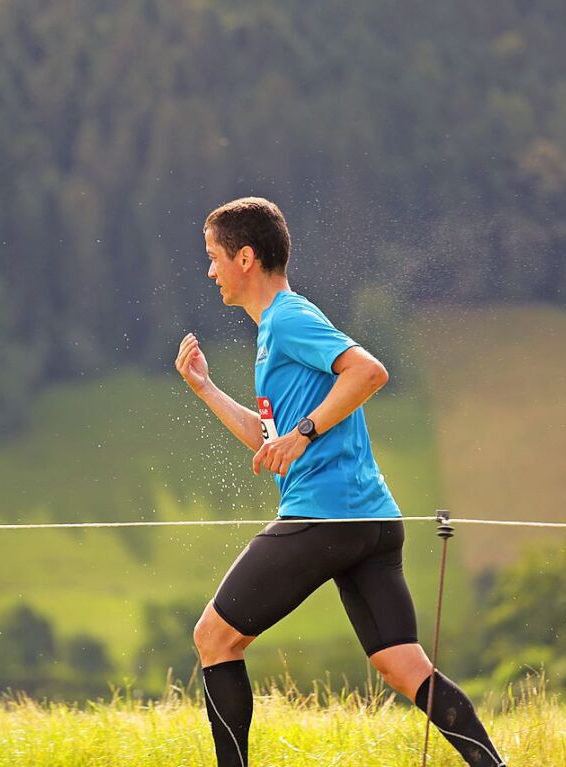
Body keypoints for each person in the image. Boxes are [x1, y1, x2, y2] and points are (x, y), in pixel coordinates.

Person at [174, 197, 506, 767]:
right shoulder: (275, 330)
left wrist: (301, 434)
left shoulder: (288, 318)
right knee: (402, 664)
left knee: (215, 639)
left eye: (214, 257)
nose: (210, 272)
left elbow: (369, 371)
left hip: (325, 516)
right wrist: (206, 388)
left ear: (245, 257)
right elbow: (267, 440)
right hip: (370, 521)